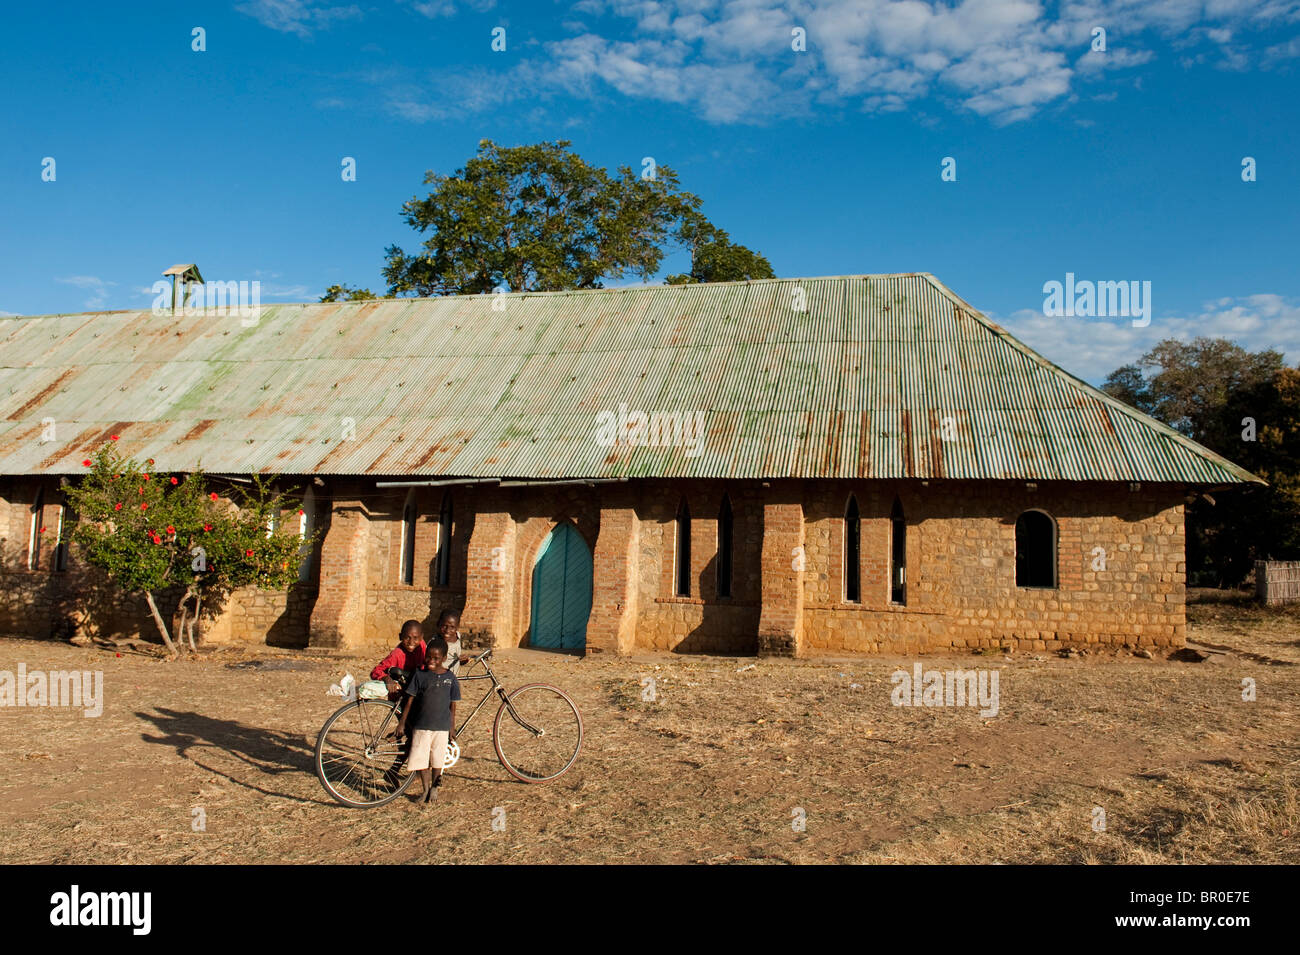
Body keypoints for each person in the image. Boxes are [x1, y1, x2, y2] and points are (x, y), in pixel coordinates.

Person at [394, 637, 460, 805]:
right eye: (428, 657)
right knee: (421, 760)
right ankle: (425, 789)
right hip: (421, 726)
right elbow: (409, 700)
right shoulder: (420, 675)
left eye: (436, 658)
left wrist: (452, 727)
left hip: (441, 727)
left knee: (438, 760)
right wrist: (402, 722)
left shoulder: (450, 678)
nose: (431, 661)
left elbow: (453, 705)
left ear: (444, 659)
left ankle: (435, 788)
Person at [370, 620, 426, 698]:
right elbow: (376, 671)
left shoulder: (422, 646)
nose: (411, 642)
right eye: (407, 637)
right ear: (400, 637)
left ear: (421, 637)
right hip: (401, 693)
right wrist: (386, 678)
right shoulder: (397, 654)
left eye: (415, 638)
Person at [436, 609, 475, 676]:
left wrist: (461, 661)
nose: (448, 630)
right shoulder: (436, 645)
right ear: (438, 624)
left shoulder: (457, 636)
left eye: (452, 627)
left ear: (457, 627)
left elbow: (452, 661)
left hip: (453, 679)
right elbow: (432, 665)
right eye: (444, 626)